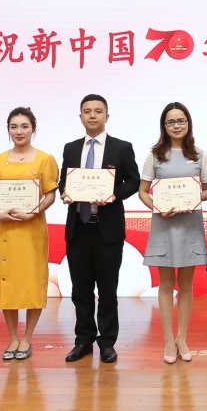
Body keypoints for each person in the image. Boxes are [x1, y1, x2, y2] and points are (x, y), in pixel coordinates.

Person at [60, 94, 141, 364]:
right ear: (80, 116)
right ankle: (83, 340)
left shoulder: (122, 148)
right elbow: (63, 182)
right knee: (80, 290)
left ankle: (107, 342)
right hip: (79, 228)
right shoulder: (71, 148)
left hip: (108, 229)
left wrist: (113, 195)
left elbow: (133, 181)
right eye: (87, 111)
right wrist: (65, 193)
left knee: (107, 290)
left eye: (98, 111)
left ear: (107, 116)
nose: (92, 115)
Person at [137, 102, 207, 364]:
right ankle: (168, 339)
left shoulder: (200, 155)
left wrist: (193, 198)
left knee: (187, 284)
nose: (177, 126)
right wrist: (158, 207)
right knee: (166, 284)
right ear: (164, 126)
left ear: (188, 123)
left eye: (181, 121)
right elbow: (142, 191)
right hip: (164, 224)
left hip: (189, 224)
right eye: (171, 122)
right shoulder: (155, 155)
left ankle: (182, 337)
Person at [0, 107, 58, 360]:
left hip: (31, 229)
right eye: (13, 127)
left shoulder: (44, 159)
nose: (19, 131)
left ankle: (27, 338)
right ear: (8, 130)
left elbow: (50, 195)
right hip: (5, 229)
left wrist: (34, 211)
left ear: (33, 129)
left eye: (24, 126)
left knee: (32, 282)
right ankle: (13, 338)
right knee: (8, 283)